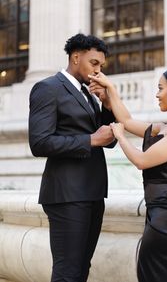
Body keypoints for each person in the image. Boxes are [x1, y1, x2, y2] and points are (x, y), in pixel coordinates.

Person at [88, 66, 167, 282]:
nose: (157, 94)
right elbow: (126, 121)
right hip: (161, 211)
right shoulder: (165, 127)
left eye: (161, 88)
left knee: (155, 272)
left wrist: (121, 137)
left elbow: (141, 161)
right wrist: (111, 90)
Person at [28, 33, 116, 282]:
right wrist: (90, 140)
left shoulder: (89, 94)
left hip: (93, 193)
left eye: (101, 65)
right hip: (66, 195)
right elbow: (39, 142)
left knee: (81, 269)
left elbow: (108, 141)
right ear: (76, 57)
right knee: (67, 272)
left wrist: (108, 104)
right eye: (94, 63)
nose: (98, 71)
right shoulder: (48, 88)